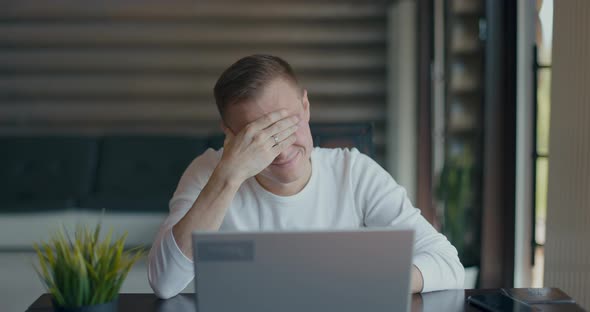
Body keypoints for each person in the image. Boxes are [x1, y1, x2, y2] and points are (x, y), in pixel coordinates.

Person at [148, 54, 464, 299]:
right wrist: (229, 176)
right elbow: (165, 283)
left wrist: (373, 281)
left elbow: (448, 264)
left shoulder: (354, 173)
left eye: (287, 124)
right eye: (258, 137)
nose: (282, 150)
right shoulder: (207, 173)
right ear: (229, 136)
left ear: (306, 106)